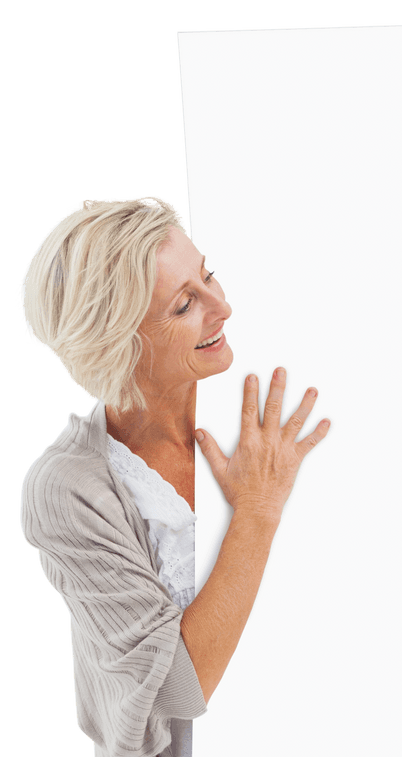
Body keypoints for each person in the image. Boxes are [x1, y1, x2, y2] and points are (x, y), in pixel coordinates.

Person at [18, 196, 330, 757]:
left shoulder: (252, 404)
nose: (224, 307)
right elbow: (175, 689)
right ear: (121, 346)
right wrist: (257, 511)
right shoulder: (67, 491)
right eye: (186, 304)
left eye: (209, 275)